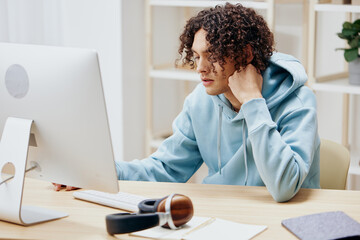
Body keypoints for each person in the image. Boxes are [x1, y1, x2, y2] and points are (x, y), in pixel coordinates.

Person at [55, 3, 320, 202]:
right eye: (196, 56)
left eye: (212, 55)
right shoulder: (199, 102)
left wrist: (253, 102)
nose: (200, 68)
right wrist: (98, 172)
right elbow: (165, 169)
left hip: (285, 222)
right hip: (223, 217)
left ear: (246, 54)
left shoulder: (298, 101)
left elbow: (285, 187)